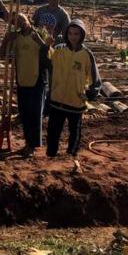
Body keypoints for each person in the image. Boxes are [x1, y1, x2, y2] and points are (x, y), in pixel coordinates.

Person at [46, 19, 101, 172]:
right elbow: (46, 60)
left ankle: (72, 154)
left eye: (76, 34)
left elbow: (94, 78)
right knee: (53, 129)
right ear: (66, 34)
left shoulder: (86, 54)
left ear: (82, 35)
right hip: (57, 98)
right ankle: (51, 154)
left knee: (74, 130)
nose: (73, 37)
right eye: (70, 33)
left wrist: (90, 94)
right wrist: (45, 44)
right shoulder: (59, 49)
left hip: (75, 100)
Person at [0, 13, 52, 157]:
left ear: (28, 18)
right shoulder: (15, 37)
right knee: (24, 113)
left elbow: (50, 55)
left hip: (38, 79)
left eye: (22, 18)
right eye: (16, 21)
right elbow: (2, 56)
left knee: (35, 113)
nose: (20, 22)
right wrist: (6, 40)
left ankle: (33, 145)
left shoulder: (40, 32)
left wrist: (40, 41)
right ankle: (28, 142)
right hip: (22, 79)